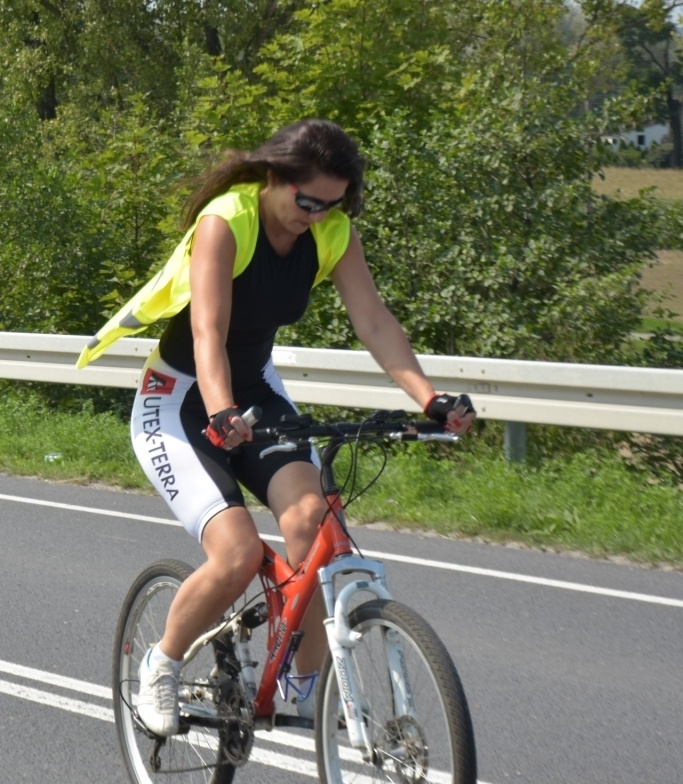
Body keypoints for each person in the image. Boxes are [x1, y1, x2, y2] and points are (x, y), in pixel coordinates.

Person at [77, 119, 474, 735]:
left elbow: (373, 321)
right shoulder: (226, 221)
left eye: (331, 205)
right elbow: (208, 332)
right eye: (307, 201)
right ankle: (162, 663)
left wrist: (429, 398)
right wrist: (220, 410)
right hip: (180, 400)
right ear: (274, 177)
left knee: (313, 524)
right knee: (237, 553)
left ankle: (303, 685)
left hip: (257, 394)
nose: (315, 217)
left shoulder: (333, 234)